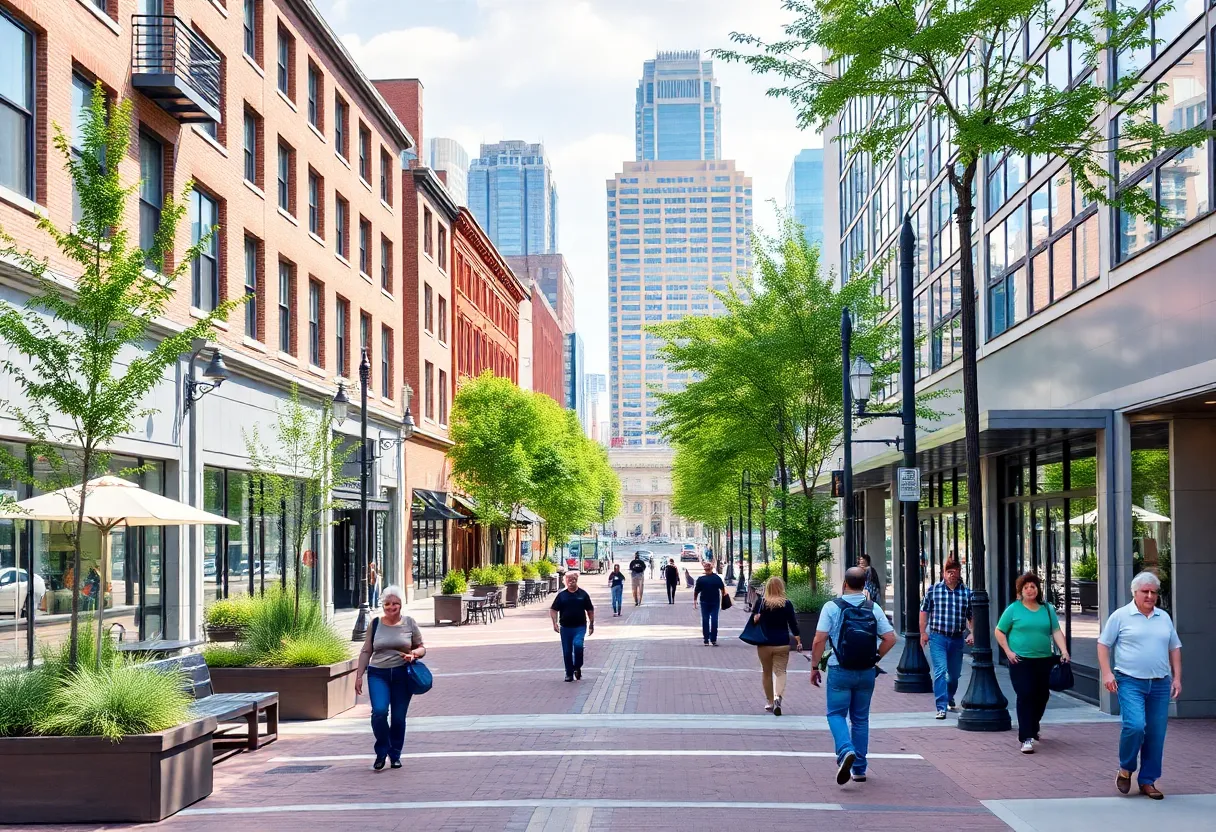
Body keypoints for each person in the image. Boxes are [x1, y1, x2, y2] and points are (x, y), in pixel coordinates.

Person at [1097, 571, 1182, 800]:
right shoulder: (1121, 616)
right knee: (1135, 726)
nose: (1150, 596)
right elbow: (1103, 644)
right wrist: (1107, 673)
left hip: (1160, 683)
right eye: (1145, 591)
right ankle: (1126, 768)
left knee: (1156, 733)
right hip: (1130, 681)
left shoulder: (1163, 617)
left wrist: (1177, 677)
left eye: (1154, 592)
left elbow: (1174, 647)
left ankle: (1148, 781)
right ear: (1134, 592)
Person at [811, 567, 896, 785]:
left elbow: (819, 639)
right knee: (860, 719)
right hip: (866, 671)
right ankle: (859, 769)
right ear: (864, 584)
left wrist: (814, 666)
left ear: (845, 584)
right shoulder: (873, 607)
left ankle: (845, 750)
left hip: (840, 668)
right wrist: (875, 658)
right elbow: (890, 638)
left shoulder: (832, 607)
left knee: (836, 714)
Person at [995, 572, 1070, 754]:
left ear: (1038, 589)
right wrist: (1008, 651)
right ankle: (1026, 737)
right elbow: (999, 631)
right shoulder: (1014, 609)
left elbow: (1056, 631)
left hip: (1044, 659)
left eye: (1033, 586)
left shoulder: (1047, 609)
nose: (1030, 590)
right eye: (1026, 587)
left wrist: (1064, 650)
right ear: (1020, 591)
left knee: (1042, 696)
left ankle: (1033, 725)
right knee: (1025, 694)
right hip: (1020, 660)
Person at [355, 585, 425, 771]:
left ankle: (395, 755)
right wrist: (359, 675)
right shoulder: (376, 623)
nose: (391, 607)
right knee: (379, 712)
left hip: (402, 674)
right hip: (378, 673)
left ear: (401, 605)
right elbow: (366, 650)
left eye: (395, 603)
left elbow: (421, 647)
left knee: (398, 718)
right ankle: (382, 750)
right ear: (383, 605)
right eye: (387, 603)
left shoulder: (409, 623)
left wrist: (414, 654)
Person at [920, 558, 974, 719]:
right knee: (940, 671)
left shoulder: (967, 593)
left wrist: (973, 632)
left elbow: (971, 617)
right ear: (943, 573)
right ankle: (941, 706)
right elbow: (924, 611)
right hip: (938, 637)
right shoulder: (933, 590)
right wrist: (923, 632)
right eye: (949, 572)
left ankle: (949, 696)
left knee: (954, 676)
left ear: (959, 573)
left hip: (957, 638)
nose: (952, 575)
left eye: (955, 572)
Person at [750, 576, 801, 715]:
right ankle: (778, 697)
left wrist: (757, 618)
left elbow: (753, 620)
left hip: (764, 643)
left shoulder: (761, 602)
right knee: (780, 672)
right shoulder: (787, 604)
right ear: (781, 587)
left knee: (766, 672)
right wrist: (798, 640)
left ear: (767, 588)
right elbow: (793, 624)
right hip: (782, 643)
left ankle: (770, 702)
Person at [550, 570, 595, 682]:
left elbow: (590, 610)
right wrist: (554, 623)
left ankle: (577, 666)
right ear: (565, 581)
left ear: (576, 580)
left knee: (578, 646)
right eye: (568, 579)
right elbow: (553, 610)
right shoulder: (562, 596)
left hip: (580, 627)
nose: (571, 581)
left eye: (573, 579)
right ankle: (569, 673)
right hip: (565, 628)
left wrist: (591, 624)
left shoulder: (583, 594)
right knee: (567, 651)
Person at [693, 560, 726, 646]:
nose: (707, 570)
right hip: (714, 602)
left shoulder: (701, 579)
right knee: (713, 620)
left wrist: (695, 600)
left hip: (706, 602)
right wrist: (723, 599)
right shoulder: (716, 578)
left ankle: (707, 639)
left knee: (706, 620)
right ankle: (712, 639)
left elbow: (696, 591)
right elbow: (722, 589)